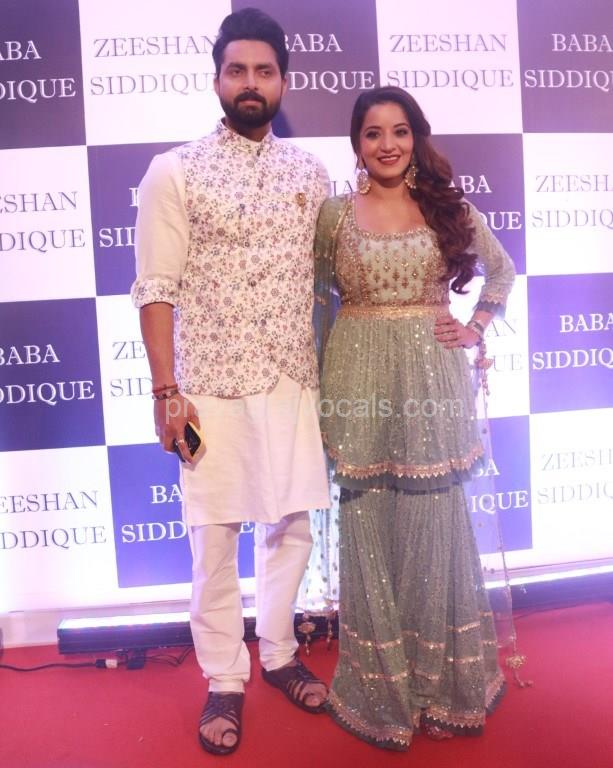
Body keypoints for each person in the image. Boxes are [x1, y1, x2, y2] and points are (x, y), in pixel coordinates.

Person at [131, 7, 331, 757]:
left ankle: (277, 651)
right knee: (213, 540)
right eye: (237, 70)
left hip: (292, 379)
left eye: (264, 71)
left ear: (283, 82)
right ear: (217, 80)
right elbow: (156, 287)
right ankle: (223, 676)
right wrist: (165, 392)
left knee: (292, 529)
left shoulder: (311, 173)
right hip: (209, 385)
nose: (251, 83)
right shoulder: (174, 170)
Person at [313, 86, 516, 750]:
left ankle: (440, 684)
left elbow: (501, 271)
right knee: (367, 521)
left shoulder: (445, 207)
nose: (387, 145)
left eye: (399, 131)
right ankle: (383, 689)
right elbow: (314, 303)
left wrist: (475, 326)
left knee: (432, 523)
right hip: (355, 380)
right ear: (356, 143)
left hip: (432, 381)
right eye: (373, 133)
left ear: (415, 137)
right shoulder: (334, 216)